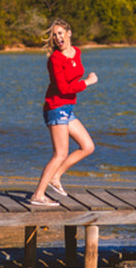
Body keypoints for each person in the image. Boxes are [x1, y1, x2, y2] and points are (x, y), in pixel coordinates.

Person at [28, 19, 97, 206]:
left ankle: (56, 176)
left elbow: (73, 75)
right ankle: (38, 195)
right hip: (55, 107)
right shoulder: (55, 60)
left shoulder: (77, 52)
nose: (58, 37)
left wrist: (81, 81)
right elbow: (64, 88)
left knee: (88, 146)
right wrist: (87, 82)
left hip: (67, 108)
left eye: (61, 33)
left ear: (69, 33)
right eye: (55, 34)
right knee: (60, 154)